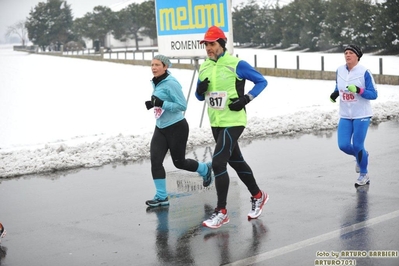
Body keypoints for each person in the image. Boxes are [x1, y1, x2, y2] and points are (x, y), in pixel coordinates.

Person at [195, 26, 269, 229]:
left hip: (234, 121)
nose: (209, 48)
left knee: (218, 164)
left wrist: (246, 99)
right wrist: (200, 90)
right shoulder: (204, 67)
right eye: (206, 45)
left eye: (212, 44)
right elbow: (199, 96)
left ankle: (221, 212)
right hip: (216, 122)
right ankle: (258, 195)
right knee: (236, 161)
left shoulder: (237, 64)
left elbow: (262, 82)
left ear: (221, 44)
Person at [144, 54, 212, 207]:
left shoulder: (172, 83)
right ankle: (162, 197)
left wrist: (162, 103)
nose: (154, 68)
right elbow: (163, 102)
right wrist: (154, 104)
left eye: (157, 65)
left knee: (179, 162)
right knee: (155, 161)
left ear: (165, 67)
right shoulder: (157, 82)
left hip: (177, 127)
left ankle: (204, 169)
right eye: (152, 65)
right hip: (160, 127)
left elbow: (182, 106)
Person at [329, 44, 378, 187]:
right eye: (346, 53)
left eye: (351, 53)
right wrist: (335, 93)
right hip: (345, 114)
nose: (347, 55)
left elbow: (373, 94)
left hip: (361, 114)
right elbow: (339, 85)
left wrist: (358, 90)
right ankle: (362, 156)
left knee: (358, 145)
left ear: (357, 56)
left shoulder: (364, 72)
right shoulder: (339, 70)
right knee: (343, 145)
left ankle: (364, 174)